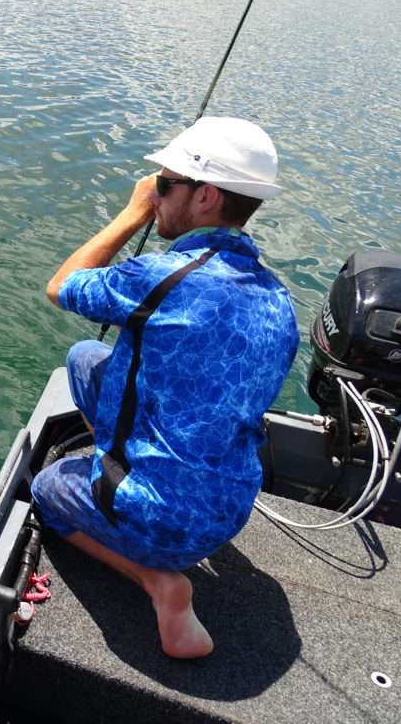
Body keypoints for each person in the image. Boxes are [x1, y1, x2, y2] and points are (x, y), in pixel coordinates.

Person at [33, 117, 299, 659]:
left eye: (164, 183)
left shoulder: (162, 278)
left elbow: (60, 287)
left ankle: (160, 583)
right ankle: (118, 464)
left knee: (49, 487)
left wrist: (134, 213)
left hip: (164, 528)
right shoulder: (279, 298)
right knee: (86, 359)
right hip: (230, 510)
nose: (155, 193)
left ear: (204, 196)